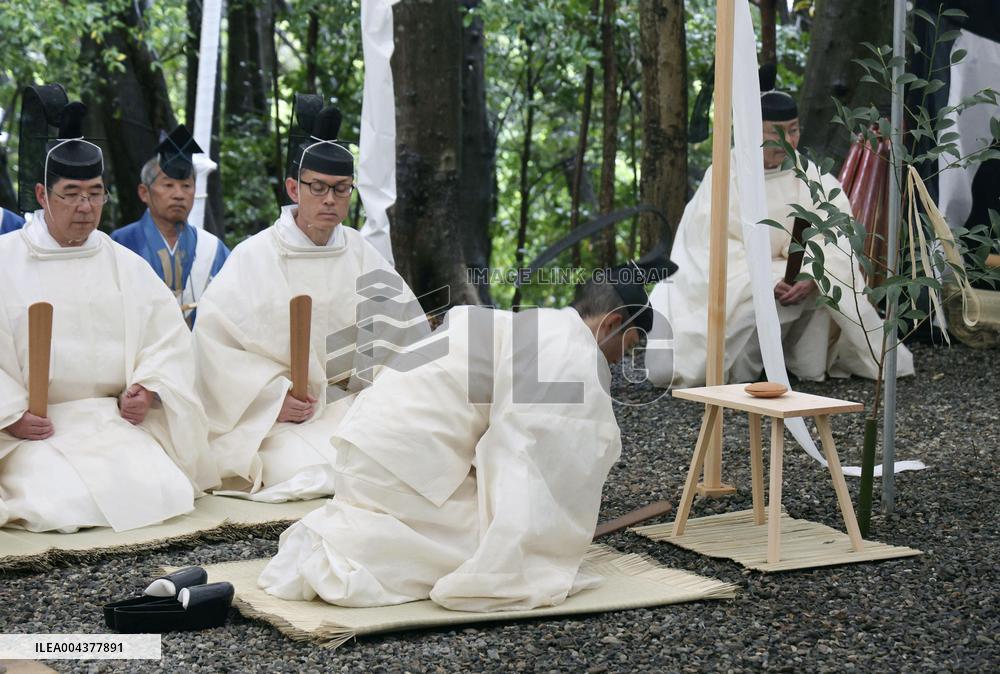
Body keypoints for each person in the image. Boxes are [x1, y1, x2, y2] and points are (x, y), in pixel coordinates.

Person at [258, 264, 666, 612]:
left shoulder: (537, 323)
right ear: (611, 323)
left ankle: (348, 537)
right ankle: (347, 550)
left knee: (479, 521)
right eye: (628, 344)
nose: (621, 359)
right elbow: (525, 459)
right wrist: (538, 541)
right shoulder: (569, 349)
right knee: (488, 549)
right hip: (398, 458)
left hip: (368, 445)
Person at [0, 99, 217, 533]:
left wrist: (149, 387)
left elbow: (167, 339)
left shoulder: (123, 263)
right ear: (43, 195)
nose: (85, 206)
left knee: (165, 490)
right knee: (58, 501)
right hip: (36, 426)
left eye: (95, 193)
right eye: (71, 195)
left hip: (109, 419)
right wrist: (10, 414)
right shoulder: (6, 260)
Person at [192, 104, 428, 502]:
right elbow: (215, 348)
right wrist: (271, 400)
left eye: (340, 188)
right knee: (310, 472)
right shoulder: (255, 256)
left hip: (355, 408)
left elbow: (406, 338)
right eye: (317, 187)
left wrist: (379, 394)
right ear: (292, 188)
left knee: (411, 458)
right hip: (282, 420)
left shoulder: (360, 252)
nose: (330, 199)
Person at [646, 65, 914, 387]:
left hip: (796, 276)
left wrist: (813, 274)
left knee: (826, 287)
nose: (788, 140)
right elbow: (706, 247)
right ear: (751, 130)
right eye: (776, 132)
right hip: (742, 279)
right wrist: (764, 279)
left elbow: (838, 236)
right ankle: (739, 372)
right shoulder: (724, 177)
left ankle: (797, 363)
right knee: (688, 357)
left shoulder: (813, 178)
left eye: (794, 130)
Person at [111, 125, 229, 325]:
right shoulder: (119, 243)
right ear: (144, 192)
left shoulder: (212, 249)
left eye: (186, 186)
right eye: (168, 185)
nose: (178, 194)